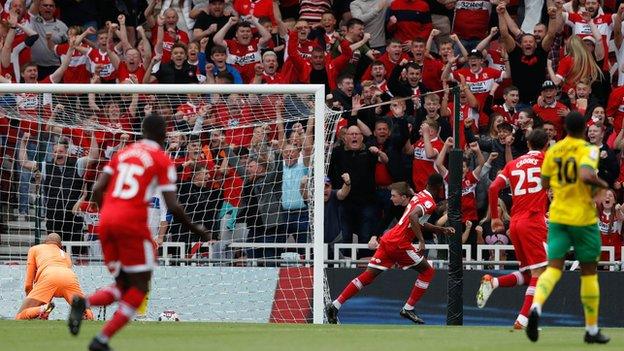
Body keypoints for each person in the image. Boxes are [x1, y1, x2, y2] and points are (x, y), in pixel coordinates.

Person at [67, 114, 210, 351]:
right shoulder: (161, 160)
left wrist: (109, 214)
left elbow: (97, 188)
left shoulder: (123, 154)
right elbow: (172, 205)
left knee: (123, 285)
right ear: (163, 135)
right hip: (131, 223)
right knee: (140, 287)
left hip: (106, 222)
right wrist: (196, 229)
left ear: (142, 132)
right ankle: (101, 340)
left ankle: (85, 303)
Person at [526, 112, 610, 344]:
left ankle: (536, 309)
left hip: (558, 216)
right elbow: (585, 174)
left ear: (564, 127)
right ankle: (591, 330)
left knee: (553, 268)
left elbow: (543, 183)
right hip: (583, 218)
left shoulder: (554, 150)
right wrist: (601, 183)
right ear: (584, 128)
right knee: (589, 272)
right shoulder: (588, 149)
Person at [325, 174, 449, 325]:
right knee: (428, 271)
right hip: (400, 243)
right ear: (439, 187)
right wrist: (422, 241)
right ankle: (408, 308)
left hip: (389, 239)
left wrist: (440, 230)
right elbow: (413, 218)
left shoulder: (420, 195)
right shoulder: (429, 203)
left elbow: (419, 221)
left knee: (368, 276)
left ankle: (335, 305)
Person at [476, 128, 549, 330]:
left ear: (527, 145)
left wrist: (495, 219)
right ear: (546, 145)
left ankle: (493, 282)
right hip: (533, 222)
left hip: (515, 223)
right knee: (540, 273)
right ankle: (523, 320)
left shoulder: (513, 164)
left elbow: (492, 188)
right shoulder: (547, 162)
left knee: (527, 275)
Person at [15, 233, 94, 320]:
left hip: (48, 275)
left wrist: (31, 300)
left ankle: (42, 309)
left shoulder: (35, 249)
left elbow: (28, 284)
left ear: (45, 242)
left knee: (20, 316)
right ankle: (87, 315)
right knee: (85, 310)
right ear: (60, 246)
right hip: (69, 276)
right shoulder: (66, 255)